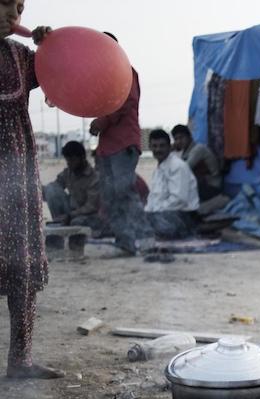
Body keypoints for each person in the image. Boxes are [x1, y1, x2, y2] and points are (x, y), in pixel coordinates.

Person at [0, 3, 61, 378]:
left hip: (18, 180)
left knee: (22, 263)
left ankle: (20, 360)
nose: (15, 14)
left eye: (20, 7)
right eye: (6, 2)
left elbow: (67, 77)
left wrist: (52, 47)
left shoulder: (22, 56)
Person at [90, 32, 150, 254]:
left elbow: (126, 102)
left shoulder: (126, 72)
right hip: (108, 146)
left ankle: (144, 238)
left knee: (123, 191)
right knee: (110, 195)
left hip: (123, 144)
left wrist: (102, 122)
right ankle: (126, 241)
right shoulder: (105, 77)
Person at [145, 129, 199, 240]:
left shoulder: (178, 166)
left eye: (162, 146)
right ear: (150, 147)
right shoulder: (158, 170)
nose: (158, 150)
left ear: (169, 147)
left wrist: (153, 214)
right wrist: (145, 214)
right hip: (163, 214)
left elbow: (178, 200)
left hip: (182, 216)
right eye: (154, 146)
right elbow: (153, 199)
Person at [43, 141, 104, 232]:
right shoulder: (68, 173)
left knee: (77, 222)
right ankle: (59, 223)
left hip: (88, 215)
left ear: (82, 158)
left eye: (72, 160)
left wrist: (70, 215)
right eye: (67, 160)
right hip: (71, 212)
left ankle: (65, 224)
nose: (69, 163)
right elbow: (54, 189)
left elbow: (91, 207)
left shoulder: (94, 178)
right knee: (51, 189)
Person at [170, 124, 222, 202]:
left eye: (181, 137)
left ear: (189, 136)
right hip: (201, 186)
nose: (178, 141)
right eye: (176, 139)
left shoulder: (198, 149)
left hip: (212, 187)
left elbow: (183, 170)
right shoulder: (186, 152)